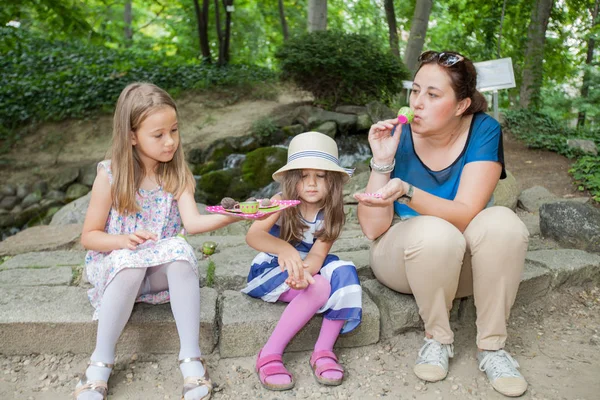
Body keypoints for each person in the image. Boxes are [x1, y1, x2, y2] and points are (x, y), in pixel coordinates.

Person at [354, 51, 530, 397]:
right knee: (435, 232)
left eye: (432, 95)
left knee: (504, 222)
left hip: (462, 264)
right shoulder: (398, 134)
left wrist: (407, 191)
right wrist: (382, 161)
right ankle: (437, 338)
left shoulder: (484, 129)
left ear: (462, 105)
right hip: (403, 259)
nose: (417, 103)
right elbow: (373, 230)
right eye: (415, 91)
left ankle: (493, 347)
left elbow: (466, 213)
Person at [74, 82, 242, 400]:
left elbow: (192, 223)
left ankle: (191, 359)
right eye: (159, 135)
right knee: (131, 261)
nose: (170, 142)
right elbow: (89, 237)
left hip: (157, 276)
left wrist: (234, 217)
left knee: (179, 249)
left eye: (174, 130)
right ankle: (100, 362)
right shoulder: (109, 176)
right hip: (117, 269)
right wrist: (122, 239)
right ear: (132, 136)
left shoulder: (176, 175)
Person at [242, 131, 362, 391]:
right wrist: (285, 250)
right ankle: (270, 353)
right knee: (319, 287)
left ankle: (323, 351)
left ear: (333, 181)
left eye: (320, 176)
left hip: (308, 268)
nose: (311, 184)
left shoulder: (333, 212)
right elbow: (254, 236)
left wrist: (302, 274)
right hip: (274, 267)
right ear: (292, 178)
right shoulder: (279, 203)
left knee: (344, 270)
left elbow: (318, 255)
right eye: (304, 176)